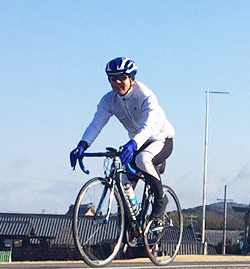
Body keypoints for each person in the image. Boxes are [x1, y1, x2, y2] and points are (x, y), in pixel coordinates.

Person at [69, 57, 175, 221]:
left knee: (143, 159)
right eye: (113, 79)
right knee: (123, 185)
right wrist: (83, 145)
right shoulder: (109, 100)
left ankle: (161, 199)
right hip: (136, 142)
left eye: (122, 78)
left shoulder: (146, 96)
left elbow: (147, 126)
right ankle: (128, 230)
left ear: (132, 79)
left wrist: (133, 144)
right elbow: (96, 125)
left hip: (160, 139)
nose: (117, 82)